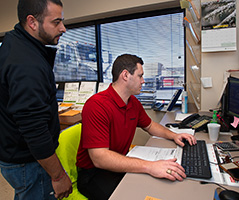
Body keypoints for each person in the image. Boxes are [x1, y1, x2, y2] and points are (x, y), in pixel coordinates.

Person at [76, 54, 197, 200]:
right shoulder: (97, 105)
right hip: (94, 173)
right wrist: (150, 166)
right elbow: (99, 159)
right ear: (125, 75)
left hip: (118, 163)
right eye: (140, 76)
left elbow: (150, 126)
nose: (143, 81)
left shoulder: (132, 102)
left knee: (157, 186)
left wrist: (174, 135)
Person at [0, 0, 72, 199]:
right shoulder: (26, 64)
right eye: (56, 22)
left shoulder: (15, 42)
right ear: (32, 22)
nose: (63, 28)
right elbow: (34, 128)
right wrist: (58, 176)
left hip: (16, 154)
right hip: (29, 161)